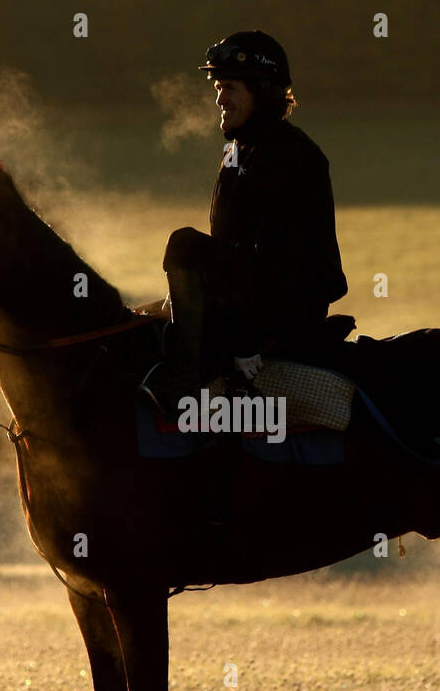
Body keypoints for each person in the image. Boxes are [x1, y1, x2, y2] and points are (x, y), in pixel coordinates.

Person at [140, 30, 348, 415]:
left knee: (183, 243)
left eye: (230, 87)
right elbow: (231, 258)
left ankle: (184, 385)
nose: (220, 98)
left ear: (263, 91)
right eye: (218, 87)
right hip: (243, 306)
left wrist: (246, 340)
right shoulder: (239, 152)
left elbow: (281, 264)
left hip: (282, 320)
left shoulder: (294, 157)